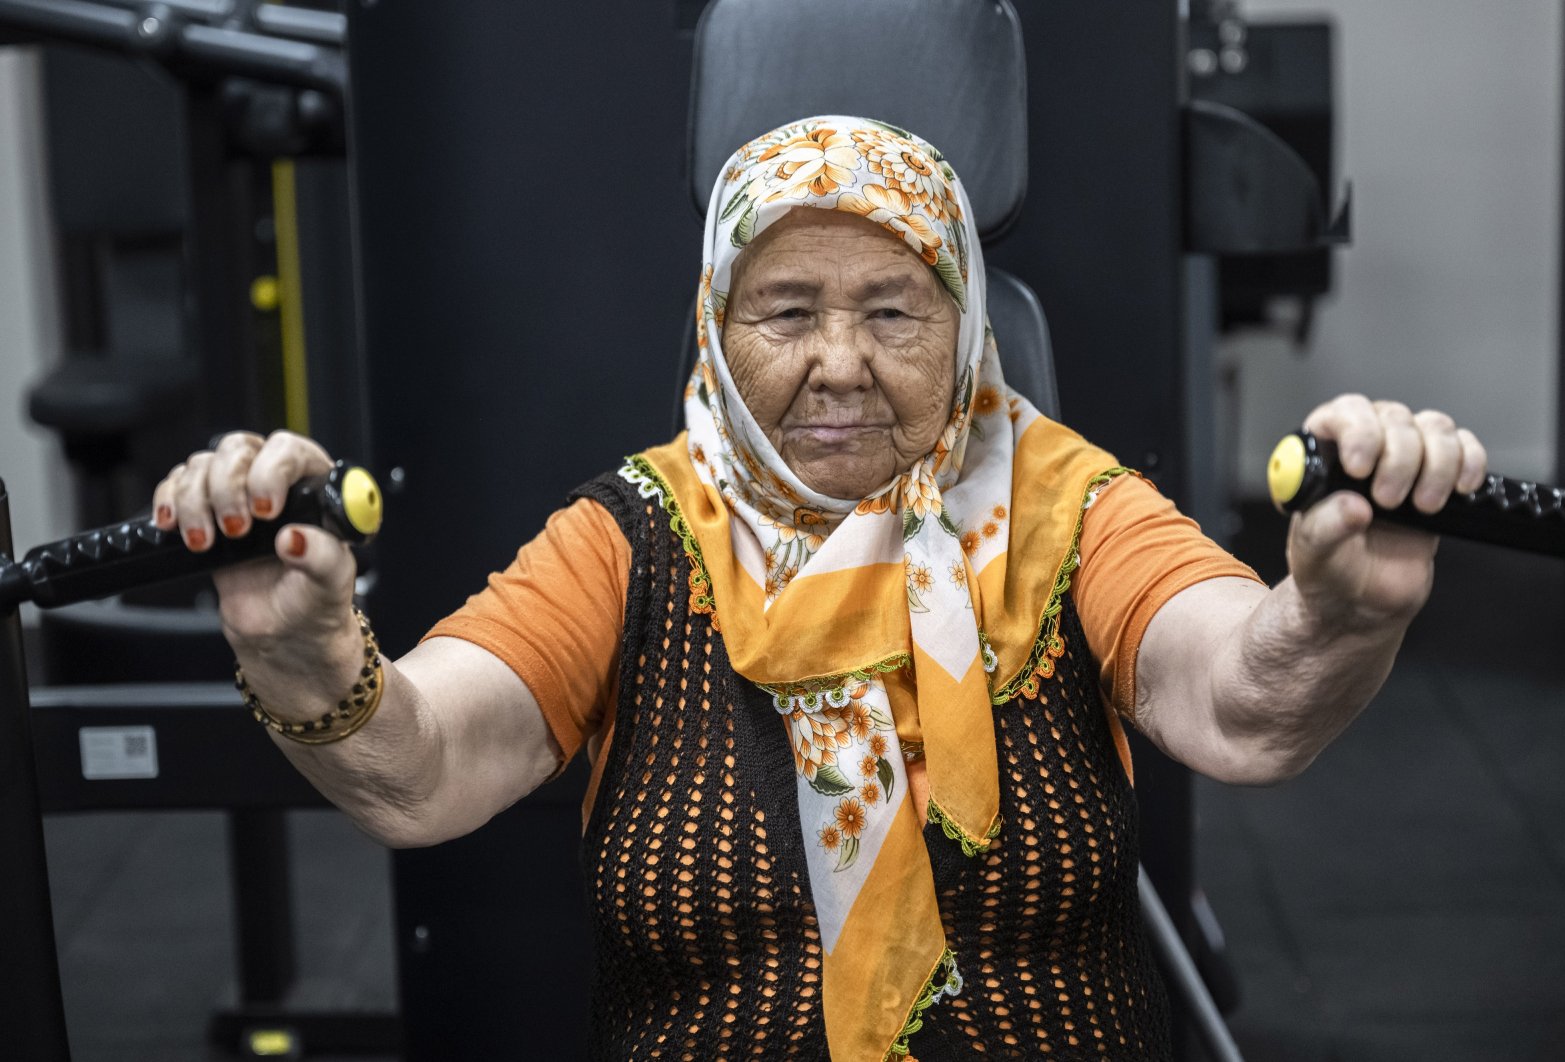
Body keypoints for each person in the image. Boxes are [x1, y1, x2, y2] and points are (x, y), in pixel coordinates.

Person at [154, 116, 1486, 1060]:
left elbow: (1244, 700)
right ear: (715, 337)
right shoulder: (631, 535)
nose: (839, 363)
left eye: (896, 311)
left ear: (963, 328)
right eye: (786, 312)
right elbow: (423, 767)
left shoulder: (1066, 506)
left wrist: (1337, 608)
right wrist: (306, 653)